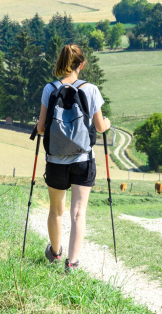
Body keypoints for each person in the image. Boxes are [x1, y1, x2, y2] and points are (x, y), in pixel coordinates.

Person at [37, 44, 110, 273]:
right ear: (82, 64)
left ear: (61, 62)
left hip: (56, 160)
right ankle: (72, 262)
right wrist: (107, 123)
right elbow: (99, 127)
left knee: (56, 210)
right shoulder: (91, 90)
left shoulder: (50, 89)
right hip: (83, 159)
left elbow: (40, 129)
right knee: (78, 212)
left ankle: (56, 253)